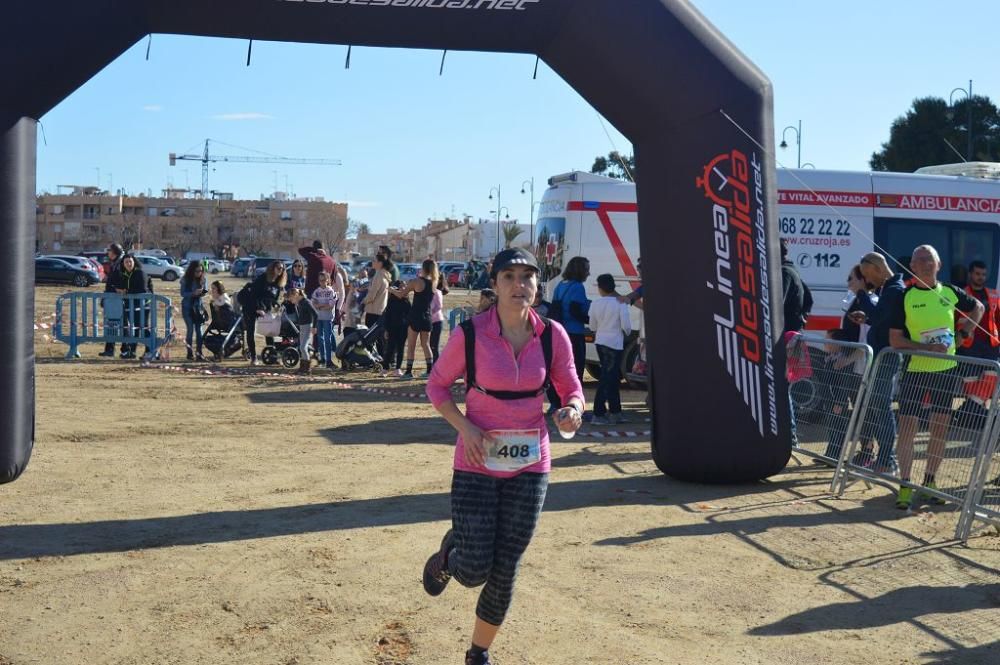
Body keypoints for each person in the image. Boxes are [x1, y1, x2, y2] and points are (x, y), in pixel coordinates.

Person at [422, 247, 585, 665]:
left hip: (531, 465)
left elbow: (571, 388)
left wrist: (573, 410)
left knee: (507, 564)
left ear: (537, 284)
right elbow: (437, 387)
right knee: (474, 568)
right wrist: (466, 428)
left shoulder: (553, 336)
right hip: (477, 461)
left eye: (527, 276)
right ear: (494, 284)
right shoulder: (471, 335)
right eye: (509, 276)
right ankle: (449, 554)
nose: (519, 284)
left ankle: (478, 653)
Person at [889, 245, 984, 509]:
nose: (925, 263)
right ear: (913, 267)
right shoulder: (904, 297)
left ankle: (930, 481)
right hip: (915, 370)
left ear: (938, 264)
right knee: (908, 426)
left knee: (940, 427)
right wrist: (927, 348)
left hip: (945, 370)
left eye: (929, 259)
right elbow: (895, 340)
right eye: (920, 259)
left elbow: (979, 307)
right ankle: (906, 484)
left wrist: (964, 333)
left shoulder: (950, 292)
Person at [848, 252, 906, 472]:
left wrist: (862, 294)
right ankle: (885, 458)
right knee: (877, 406)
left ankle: (887, 460)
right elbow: (881, 318)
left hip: (886, 357)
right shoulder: (887, 289)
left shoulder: (893, 290)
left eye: (867, 275)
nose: (867, 281)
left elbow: (881, 317)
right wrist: (867, 317)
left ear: (878, 268)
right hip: (881, 355)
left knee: (881, 407)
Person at [955, 260, 1000, 424]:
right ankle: (972, 416)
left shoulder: (993, 294)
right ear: (970, 274)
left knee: (992, 378)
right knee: (971, 384)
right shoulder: (961, 294)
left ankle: (966, 412)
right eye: (977, 274)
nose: (980, 277)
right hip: (968, 346)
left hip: (990, 346)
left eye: (983, 274)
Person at [588, 274, 632, 424]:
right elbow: (626, 326)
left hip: (601, 341)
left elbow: (592, 326)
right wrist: (626, 333)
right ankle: (600, 412)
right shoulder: (620, 303)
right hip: (615, 343)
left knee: (609, 377)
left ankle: (614, 411)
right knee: (609, 378)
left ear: (600, 288)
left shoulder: (595, 303)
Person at [390, 259, 438, 379]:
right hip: (427, 317)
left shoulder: (417, 281)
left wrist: (390, 289)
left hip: (415, 316)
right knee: (425, 345)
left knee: (411, 345)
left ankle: (408, 372)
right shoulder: (433, 283)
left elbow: (402, 294)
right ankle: (429, 371)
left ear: (423, 268)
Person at [551, 256, 591, 389]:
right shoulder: (578, 287)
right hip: (575, 333)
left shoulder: (560, 285)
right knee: (576, 369)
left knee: (561, 368)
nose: (588, 273)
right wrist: (591, 321)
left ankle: (556, 403)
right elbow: (575, 311)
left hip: (560, 332)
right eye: (586, 269)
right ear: (579, 270)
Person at [245, 261, 287, 366]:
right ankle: (254, 357)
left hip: (265, 309)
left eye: (282, 269)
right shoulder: (263, 278)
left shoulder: (278, 283)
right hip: (251, 306)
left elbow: (273, 298)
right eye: (278, 268)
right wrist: (257, 308)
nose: (280, 270)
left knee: (269, 332)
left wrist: (276, 306)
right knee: (250, 332)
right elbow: (254, 294)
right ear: (272, 268)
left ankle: (273, 356)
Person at [110, 254, 150, 360]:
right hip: (130, 305)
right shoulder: (123, 274)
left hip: (143, 305)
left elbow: (142, 289)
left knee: (143, 327)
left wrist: (126, 291)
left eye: (130, 261)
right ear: (123, 264)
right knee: (134, 329)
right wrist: (117, 289)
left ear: (134, 262)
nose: (128, 264)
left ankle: (150, 350)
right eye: (126, 262)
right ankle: (132, 351)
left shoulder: (140, 273)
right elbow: (114, 284)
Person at [98, 243, 125, 357]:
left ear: (114, 252)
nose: (107, 252)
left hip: (117, 299)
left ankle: (125, 349)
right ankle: (109, 349)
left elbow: (119, 282)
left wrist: (113, 289)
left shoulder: (120, 264)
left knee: (121, 324)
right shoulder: (115, 263)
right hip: (111, 297)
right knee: (111, 324)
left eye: (109, 250)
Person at [781, 239, 813, 334]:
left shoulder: (784, 273)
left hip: (784, 334)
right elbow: (809, 299)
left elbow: (777, 304)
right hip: (792, 332)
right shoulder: (792, 270)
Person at [364, 255, 391, 358]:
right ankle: (382, 357)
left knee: (370, 337)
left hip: (373, 311)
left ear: (380, 263)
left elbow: (372, 295)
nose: (372, 262)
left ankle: (373, 359)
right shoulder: (385, 275)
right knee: (380, 337)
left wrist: (363, 301)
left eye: (374, 260)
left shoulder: (378, 276)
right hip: (380, 310)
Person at [311, 271, 339, 370]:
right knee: (320, 339)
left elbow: (330, 305)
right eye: (320, 280)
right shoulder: (316, 291)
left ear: (328, 280)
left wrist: (320, 306)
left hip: (328, 318)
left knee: (327, 339)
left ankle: (329, 360)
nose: (322, 282)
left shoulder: (331, 291)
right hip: (319, 318)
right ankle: (322, 359)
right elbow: (313, 303)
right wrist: (320, 306)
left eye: (324, 280)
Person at [180, 261, 208, 361]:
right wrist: (193, 293)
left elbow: (206, 291)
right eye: (197, 271)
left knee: (199, 331)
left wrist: (202, 292)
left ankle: (199, 353)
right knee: (190, 330)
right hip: (187, 307)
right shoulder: (185, 279)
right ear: (192, 270)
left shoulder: (203, 279)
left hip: (198, 307)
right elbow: (182, 293)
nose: (199, 273)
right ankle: (189, 353)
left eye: (201, 271)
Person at [383, 280, 412, 375]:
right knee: (390, 348)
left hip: (403, 329)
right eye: (402, 286)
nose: (404, 288)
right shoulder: (391, 300)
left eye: (405, 286)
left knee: (401, 348)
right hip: (392, 328)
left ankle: (398, 369)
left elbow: (409, 315)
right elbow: (387, 316)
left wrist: (409, 327)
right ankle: (385, 368)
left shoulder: (407, 300)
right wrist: (386, 329)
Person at [288, 288, 318, 374]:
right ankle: (302, 368)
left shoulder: (306, 302)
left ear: (296, 295)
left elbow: (315, 314)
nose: (291, 300)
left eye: (291, 298)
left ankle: (307, 368)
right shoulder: (300, 303)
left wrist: (314, 327)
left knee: (303, 347)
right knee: (302, 347)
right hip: (302, 327)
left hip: (308, 326)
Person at [430, 272, 449, 366]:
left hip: (436, 321)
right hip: (433, 321)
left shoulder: (437, 292)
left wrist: (429, 312)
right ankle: (436, 365)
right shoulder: (434, 291)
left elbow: (438, 306)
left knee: (434, 345)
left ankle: (437, 366)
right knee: (432, 345)